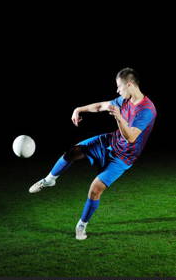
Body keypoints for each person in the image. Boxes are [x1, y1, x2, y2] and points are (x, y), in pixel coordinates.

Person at [29, 68, 157, 240]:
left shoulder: (147, 110)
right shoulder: (124, 100)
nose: (117, 91)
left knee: (95, 190)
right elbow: (101, 106)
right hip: (111, 141)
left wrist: (119, 117)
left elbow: (131, 137)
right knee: (73, 151)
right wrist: (78, 109)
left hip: (124, 157)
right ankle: (49, 180)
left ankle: (81, 226)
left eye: (119, 87)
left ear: (129, 84)